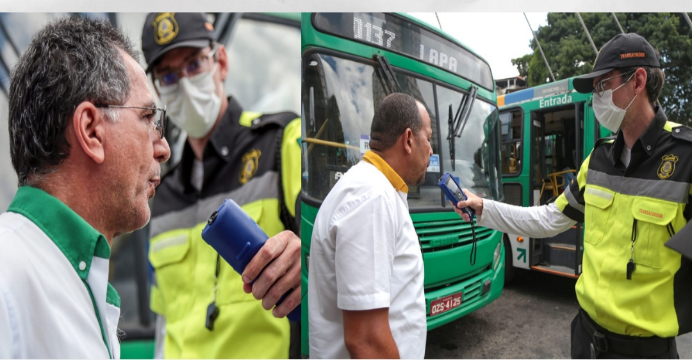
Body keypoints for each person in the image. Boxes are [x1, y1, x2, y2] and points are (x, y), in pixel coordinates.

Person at [455, 33, 691, 359]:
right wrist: (484, 208)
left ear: (638, 81)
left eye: (602, 85)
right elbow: (550, 218)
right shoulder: (597, 160)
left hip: (645, 351)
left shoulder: (686, 160)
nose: (597, 98)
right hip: (586, 340)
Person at [0, 16, 171, 358]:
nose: (163, 148)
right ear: (91, 130)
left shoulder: (71, 274)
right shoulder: (8, 274)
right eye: (148, 119)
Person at [140, 13, 302, 359]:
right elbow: (165, 325)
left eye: (195, 64)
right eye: (168, 76)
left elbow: (339, 255)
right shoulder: (161, 195)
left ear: (221, 63)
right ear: (157, 90)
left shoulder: (281, 143)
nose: (183, 83)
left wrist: (309, 258)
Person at [309, 93, 432, 359]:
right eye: (429, 139)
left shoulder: (378, 190)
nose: (431, 150)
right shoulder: (371, 197)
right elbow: (366, 341)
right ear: (409, 140)